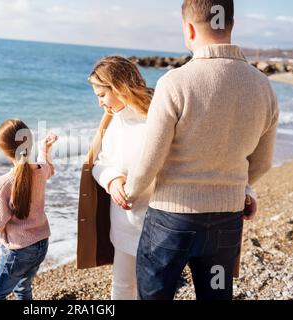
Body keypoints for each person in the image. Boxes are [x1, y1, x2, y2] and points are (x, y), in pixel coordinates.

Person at [125, 0, 279, 300]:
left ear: (189, 30)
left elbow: (151, 157)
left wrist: (131, 191)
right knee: (215, 295)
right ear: (230, 25)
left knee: (155, 295)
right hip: (225, 220)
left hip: (171, 221)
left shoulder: (175, 82)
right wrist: (241, 187)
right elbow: (262, 163)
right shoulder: (263, 86)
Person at [77, 56, 154, 299]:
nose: (99, 103)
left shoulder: (157, 118)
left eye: (101, 95)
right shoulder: (113, 121)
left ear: (119, 87)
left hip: (156, 225)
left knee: (152, 290)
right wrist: (112, 179)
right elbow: (101, 163)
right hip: (123, 223)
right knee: (121, 287)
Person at [0, 119, 58, 300]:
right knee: (22, 287)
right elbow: (48, 167)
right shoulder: (40, 170)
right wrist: (44, 149)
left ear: (5, 151)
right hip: (41, 244)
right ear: (30, 142)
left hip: (19, 250)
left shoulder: (4, 183)